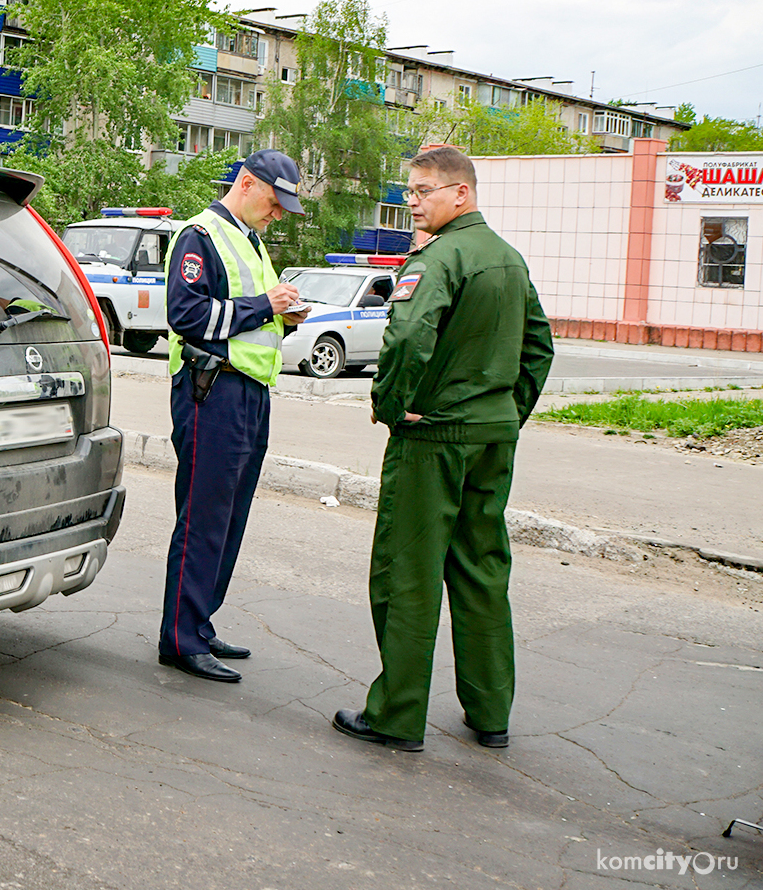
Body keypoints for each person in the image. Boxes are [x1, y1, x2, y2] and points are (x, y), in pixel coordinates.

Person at [334, 145, 555, 751]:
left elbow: (407, 335)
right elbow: (539, 347)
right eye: (409, 191)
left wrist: (387, 403)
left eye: (423, 191)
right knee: (482, 570)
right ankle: (490, 714)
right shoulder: (507, 259)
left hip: (432, 435)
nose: (413, 202)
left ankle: (396, 716)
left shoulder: (439, 258)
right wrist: (507, 414)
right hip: (490, 437)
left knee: (408, 573)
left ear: (461, 193)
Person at [157, 149, 308, 683]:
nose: (278, 214)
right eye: (274, 201)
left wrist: (284, 316)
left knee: (231, 516)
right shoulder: (199, 236)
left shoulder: (251, 240)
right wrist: (266, 305)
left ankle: (199, 622)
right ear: (247, 183)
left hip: (249, 393)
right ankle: (180, 636)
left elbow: (251, 317)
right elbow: (187, 315)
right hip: (210, 390)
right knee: (203, 516)